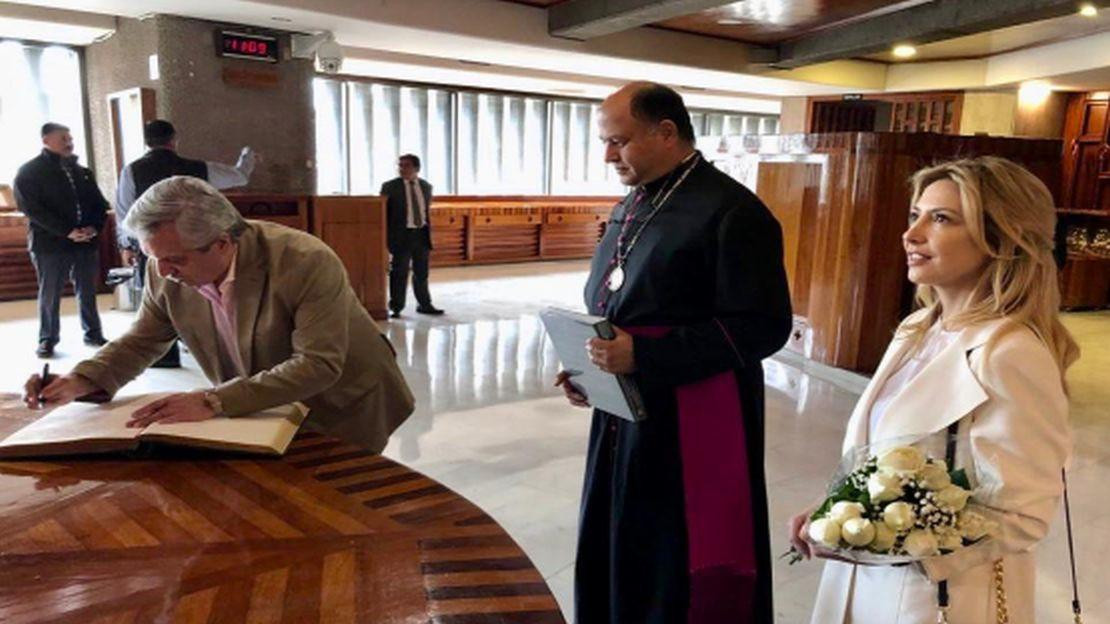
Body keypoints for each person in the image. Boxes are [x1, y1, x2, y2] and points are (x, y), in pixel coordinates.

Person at [789, 157, 1079, 623]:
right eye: (915, 215)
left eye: (940, 218)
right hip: (861, 585)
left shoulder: (1009, 352)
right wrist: (842, 514)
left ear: (1001, 240)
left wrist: (893, 541)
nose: (912, 233)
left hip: (938, 600)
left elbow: (1025, 516)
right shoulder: (917, 328)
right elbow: (881, 459)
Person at [555, 82, 792, 623]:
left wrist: (645, 357)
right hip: (624, 405)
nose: (608, 156)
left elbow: (763, 326)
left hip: (693, 416)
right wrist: (587, 366)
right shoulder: (636, 200)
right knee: (620, 530)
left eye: (619, 142)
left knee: (673, 548)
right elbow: (618, 298)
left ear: (666, 132)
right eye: (605, 143)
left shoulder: (733, 211)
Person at [23, 176, 414, 453]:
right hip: (262, 401)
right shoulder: (165, 266)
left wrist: (212, 401)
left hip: (345, 400)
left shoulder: (303, 260)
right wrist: (82, 379)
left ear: (223, 243)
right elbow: (143, 338)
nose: (162, 273)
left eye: (175, 260)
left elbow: (318, 364)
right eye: (152, 258)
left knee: (335, 510)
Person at [115, 119, 258, 367]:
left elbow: (123, 212)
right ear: (174, 140)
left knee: (168, 297)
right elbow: (240, 177)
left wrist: (126, 245)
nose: (163, 270)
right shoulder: (199, 168)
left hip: (150, 247)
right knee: (169, 300)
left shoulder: (131, 171)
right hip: (181, 245)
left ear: (146, 142)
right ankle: (190, 343)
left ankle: (168, 356)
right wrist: (248, 156)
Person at [13, 122, 110, 358]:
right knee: (50, 292)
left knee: (87, 288)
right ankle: (47, 339)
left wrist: (94, 228)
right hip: (50, 244)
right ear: (46, 140)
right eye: (63, 138)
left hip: (85, 241)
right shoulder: (29, 172)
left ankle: (94, 333)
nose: (69, 143)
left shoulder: (82, 172)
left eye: (70, 138)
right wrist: (66, 231)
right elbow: (32, 209)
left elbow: (100, 205)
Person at [379, 154, 443, 318]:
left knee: (421, 272)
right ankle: (396, 306)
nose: (402, 169)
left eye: (406, 165)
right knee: (399, 272)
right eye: (400, 166)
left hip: (421, 234)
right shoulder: (390, 187)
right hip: (401, 235)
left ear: (416, 168)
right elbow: (384, 214)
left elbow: (424, 211)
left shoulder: (426, 186)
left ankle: (424, 304)